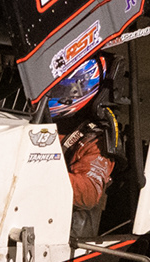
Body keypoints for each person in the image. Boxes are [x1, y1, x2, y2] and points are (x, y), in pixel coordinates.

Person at [44, 54, 125, 238]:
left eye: (65, 88)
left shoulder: (96, 139)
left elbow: (89, 193)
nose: (58, 92)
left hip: (63, 234)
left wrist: (40, 175)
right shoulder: (38, 115)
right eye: (56, 87)